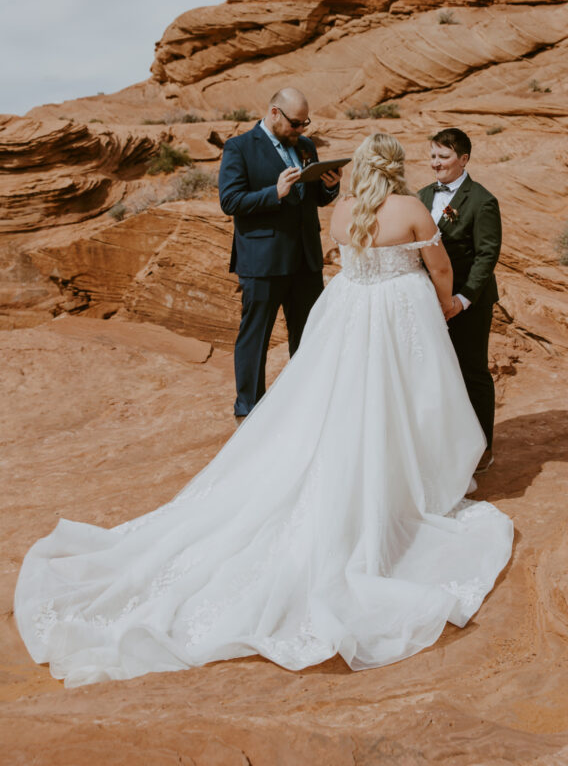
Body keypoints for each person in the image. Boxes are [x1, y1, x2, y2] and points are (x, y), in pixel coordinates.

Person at [14, 133, 513, 688]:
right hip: (399, 313)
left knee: (340, 399)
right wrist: (444, 305)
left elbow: (346, 260)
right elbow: (439, 268)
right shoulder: (413, 208)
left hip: (348, 313)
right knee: (406, 398)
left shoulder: (344, 210)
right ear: (397, 168)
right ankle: (411, 480)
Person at [218, 88, 341, 421]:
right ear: (274, 113)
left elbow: (314, 198)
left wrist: (329, 186)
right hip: (263, 260)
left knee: (309, 335)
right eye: (296, 123)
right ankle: (249, 411)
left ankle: (305, 404)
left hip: (305, 258)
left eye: (305, 123)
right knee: (255, 336)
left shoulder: (307, 146)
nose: (301, 130)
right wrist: (274, 192)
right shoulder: (239, 147)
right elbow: (230, 201)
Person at [418, 129, 502, 472]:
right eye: (433, 156)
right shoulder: (421, 196)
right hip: (429, 302)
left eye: (444, 157)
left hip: (469, 304)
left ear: (463, 159)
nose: (436, 163)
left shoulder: (482, 200)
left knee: (472, 372)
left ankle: (482, 446)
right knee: (434, 373)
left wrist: (462, 299)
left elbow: (486, 256)